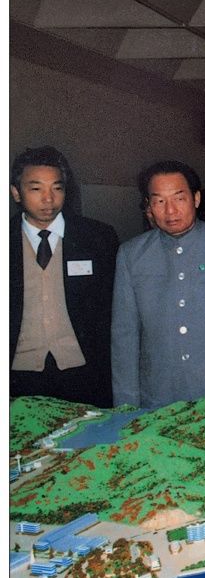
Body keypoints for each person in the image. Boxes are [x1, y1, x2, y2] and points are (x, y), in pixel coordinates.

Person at [112, 161, 205, 408]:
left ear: (196, 198)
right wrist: (126, 405)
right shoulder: (131, 255)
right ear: (148, 206)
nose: (170, 210)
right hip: (158, 394)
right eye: (159, 201)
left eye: (179, 198)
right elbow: (124, 335)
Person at [10, 146, 119, 407]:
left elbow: (112, 309)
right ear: (16, 192)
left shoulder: (98, 238)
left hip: (84, 373)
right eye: (36, 189)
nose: (48, 198)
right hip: (18, 377)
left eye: (56, 188)